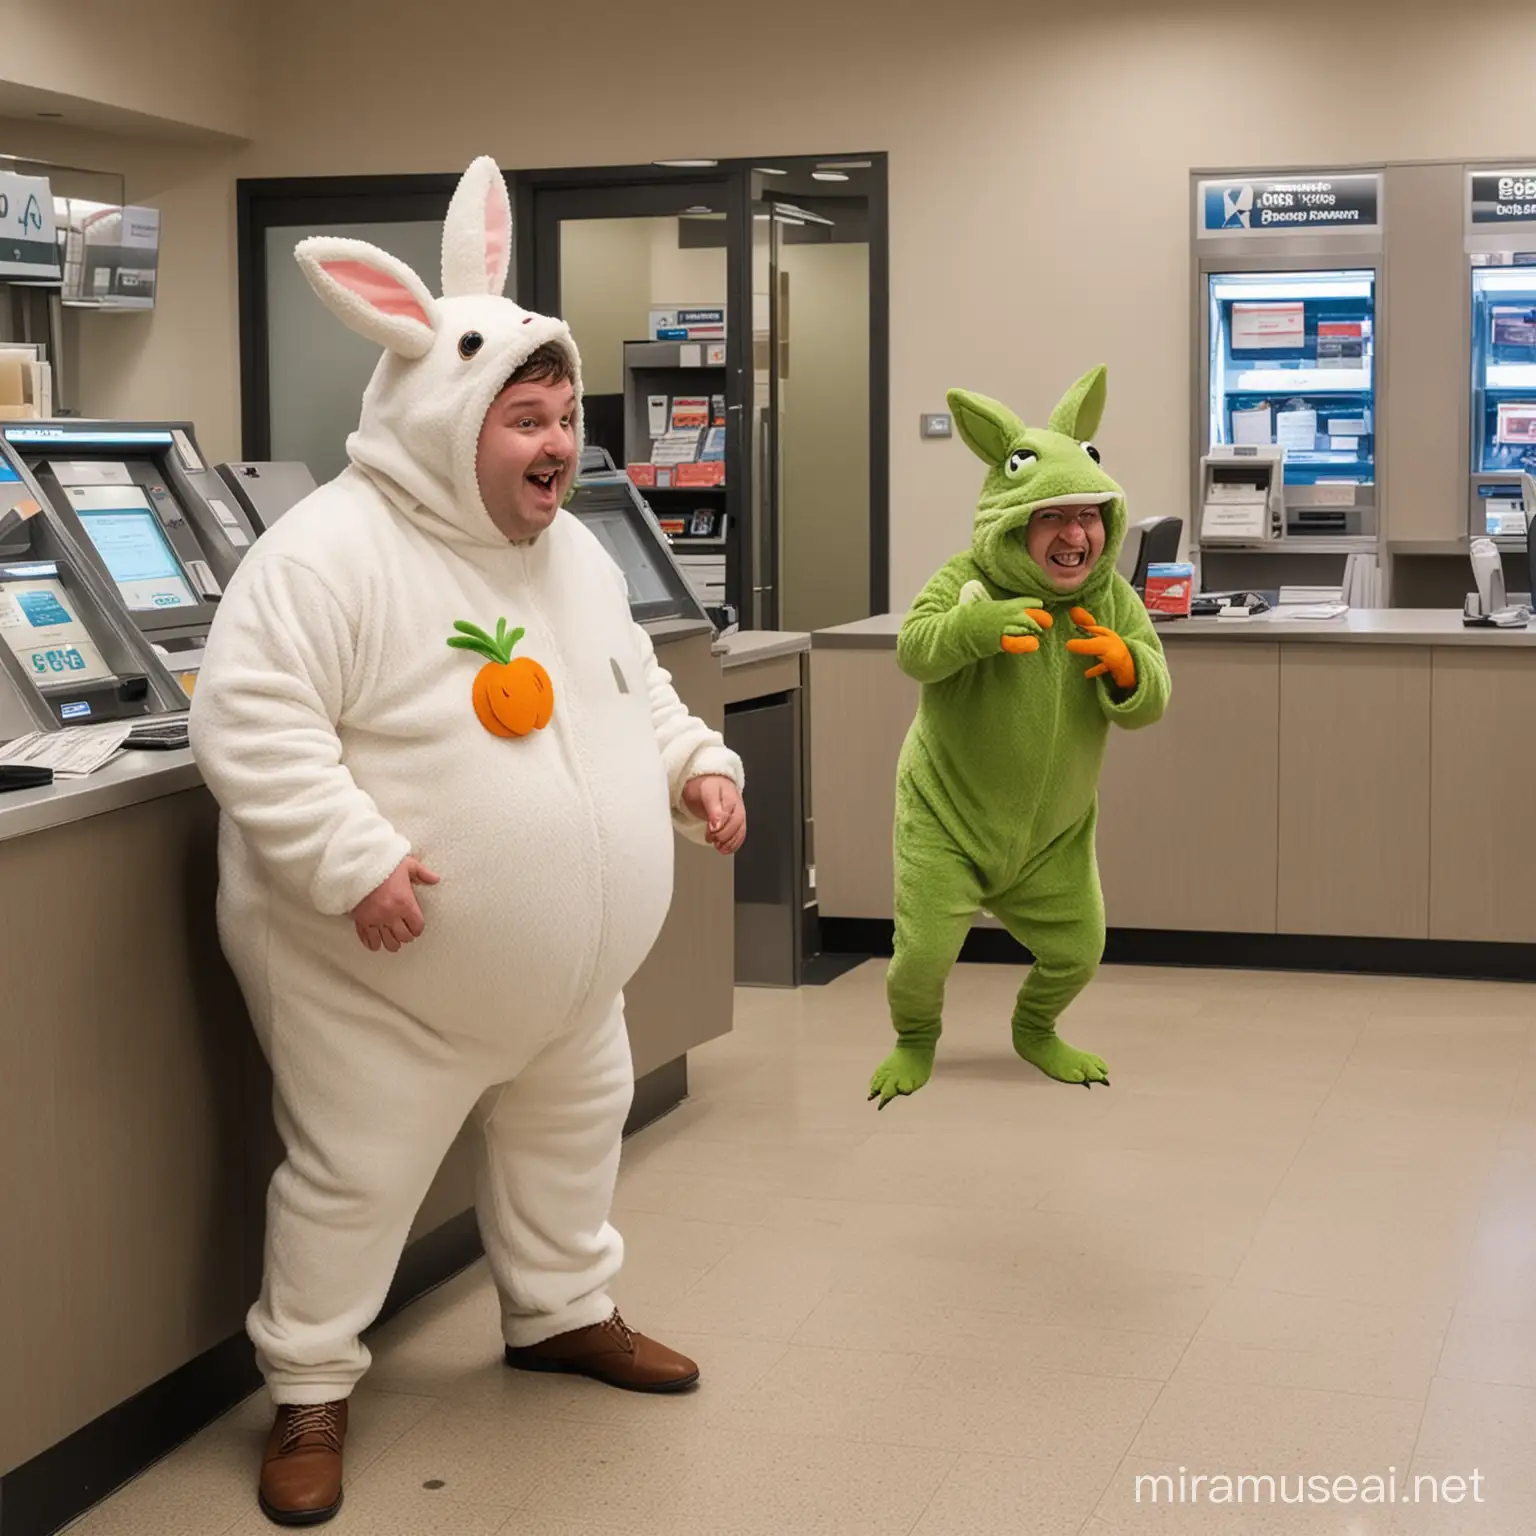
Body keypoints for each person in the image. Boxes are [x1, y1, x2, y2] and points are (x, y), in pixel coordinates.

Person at [189, 156, 745, 1526]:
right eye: (524, 421)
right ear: (445, 419)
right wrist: (353, 861)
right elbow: (252, 726)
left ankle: (562, 1310)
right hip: (377, 976)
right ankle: (310, 1387)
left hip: (566, 988)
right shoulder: (328, 555)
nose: (556, 445)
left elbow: (639, 691)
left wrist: (697, 766)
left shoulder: (569, 553)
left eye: (564, 416)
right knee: (354, 1177)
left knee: (575, 1133)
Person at [868, 366, 1169, 1109]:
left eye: (1089, 516)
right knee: (923, 958)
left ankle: (1035, 1029)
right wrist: (974, 630)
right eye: (1052, 518)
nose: (1076, 536)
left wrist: (1129, 667)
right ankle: (915, 1038)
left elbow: (1151, 700)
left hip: (1052, 835)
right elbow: (915, 649)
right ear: (1012, 523)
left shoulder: (1112, 596)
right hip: (949, 815)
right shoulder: (968, 576)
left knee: (1078, 951)